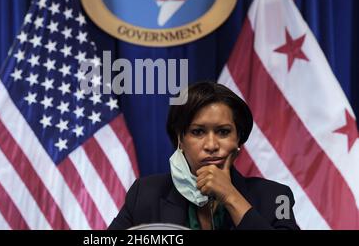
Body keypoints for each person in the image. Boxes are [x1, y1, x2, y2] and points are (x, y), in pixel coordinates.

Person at [108, 81, 299, 230]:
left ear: (238, 138)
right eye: (197, 132)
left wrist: (231, 196)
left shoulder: (276, 197)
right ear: (180, 139)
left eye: (223, 132)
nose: (211, 145)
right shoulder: (146, 194)